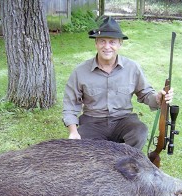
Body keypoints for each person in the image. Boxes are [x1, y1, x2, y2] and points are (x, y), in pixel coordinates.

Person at [62, 16, 174, 150]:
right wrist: (73, 132)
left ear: (120, 44)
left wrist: (158, 98)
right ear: (96, 43)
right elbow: (70, 105)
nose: (107, 46)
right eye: (102, 41)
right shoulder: (80, 71)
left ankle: (129, 163)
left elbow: (145, 94)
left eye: (112, 42)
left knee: (139, 131)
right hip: (93, 121)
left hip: (123, 120)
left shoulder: (132, 68)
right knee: (86, 147)